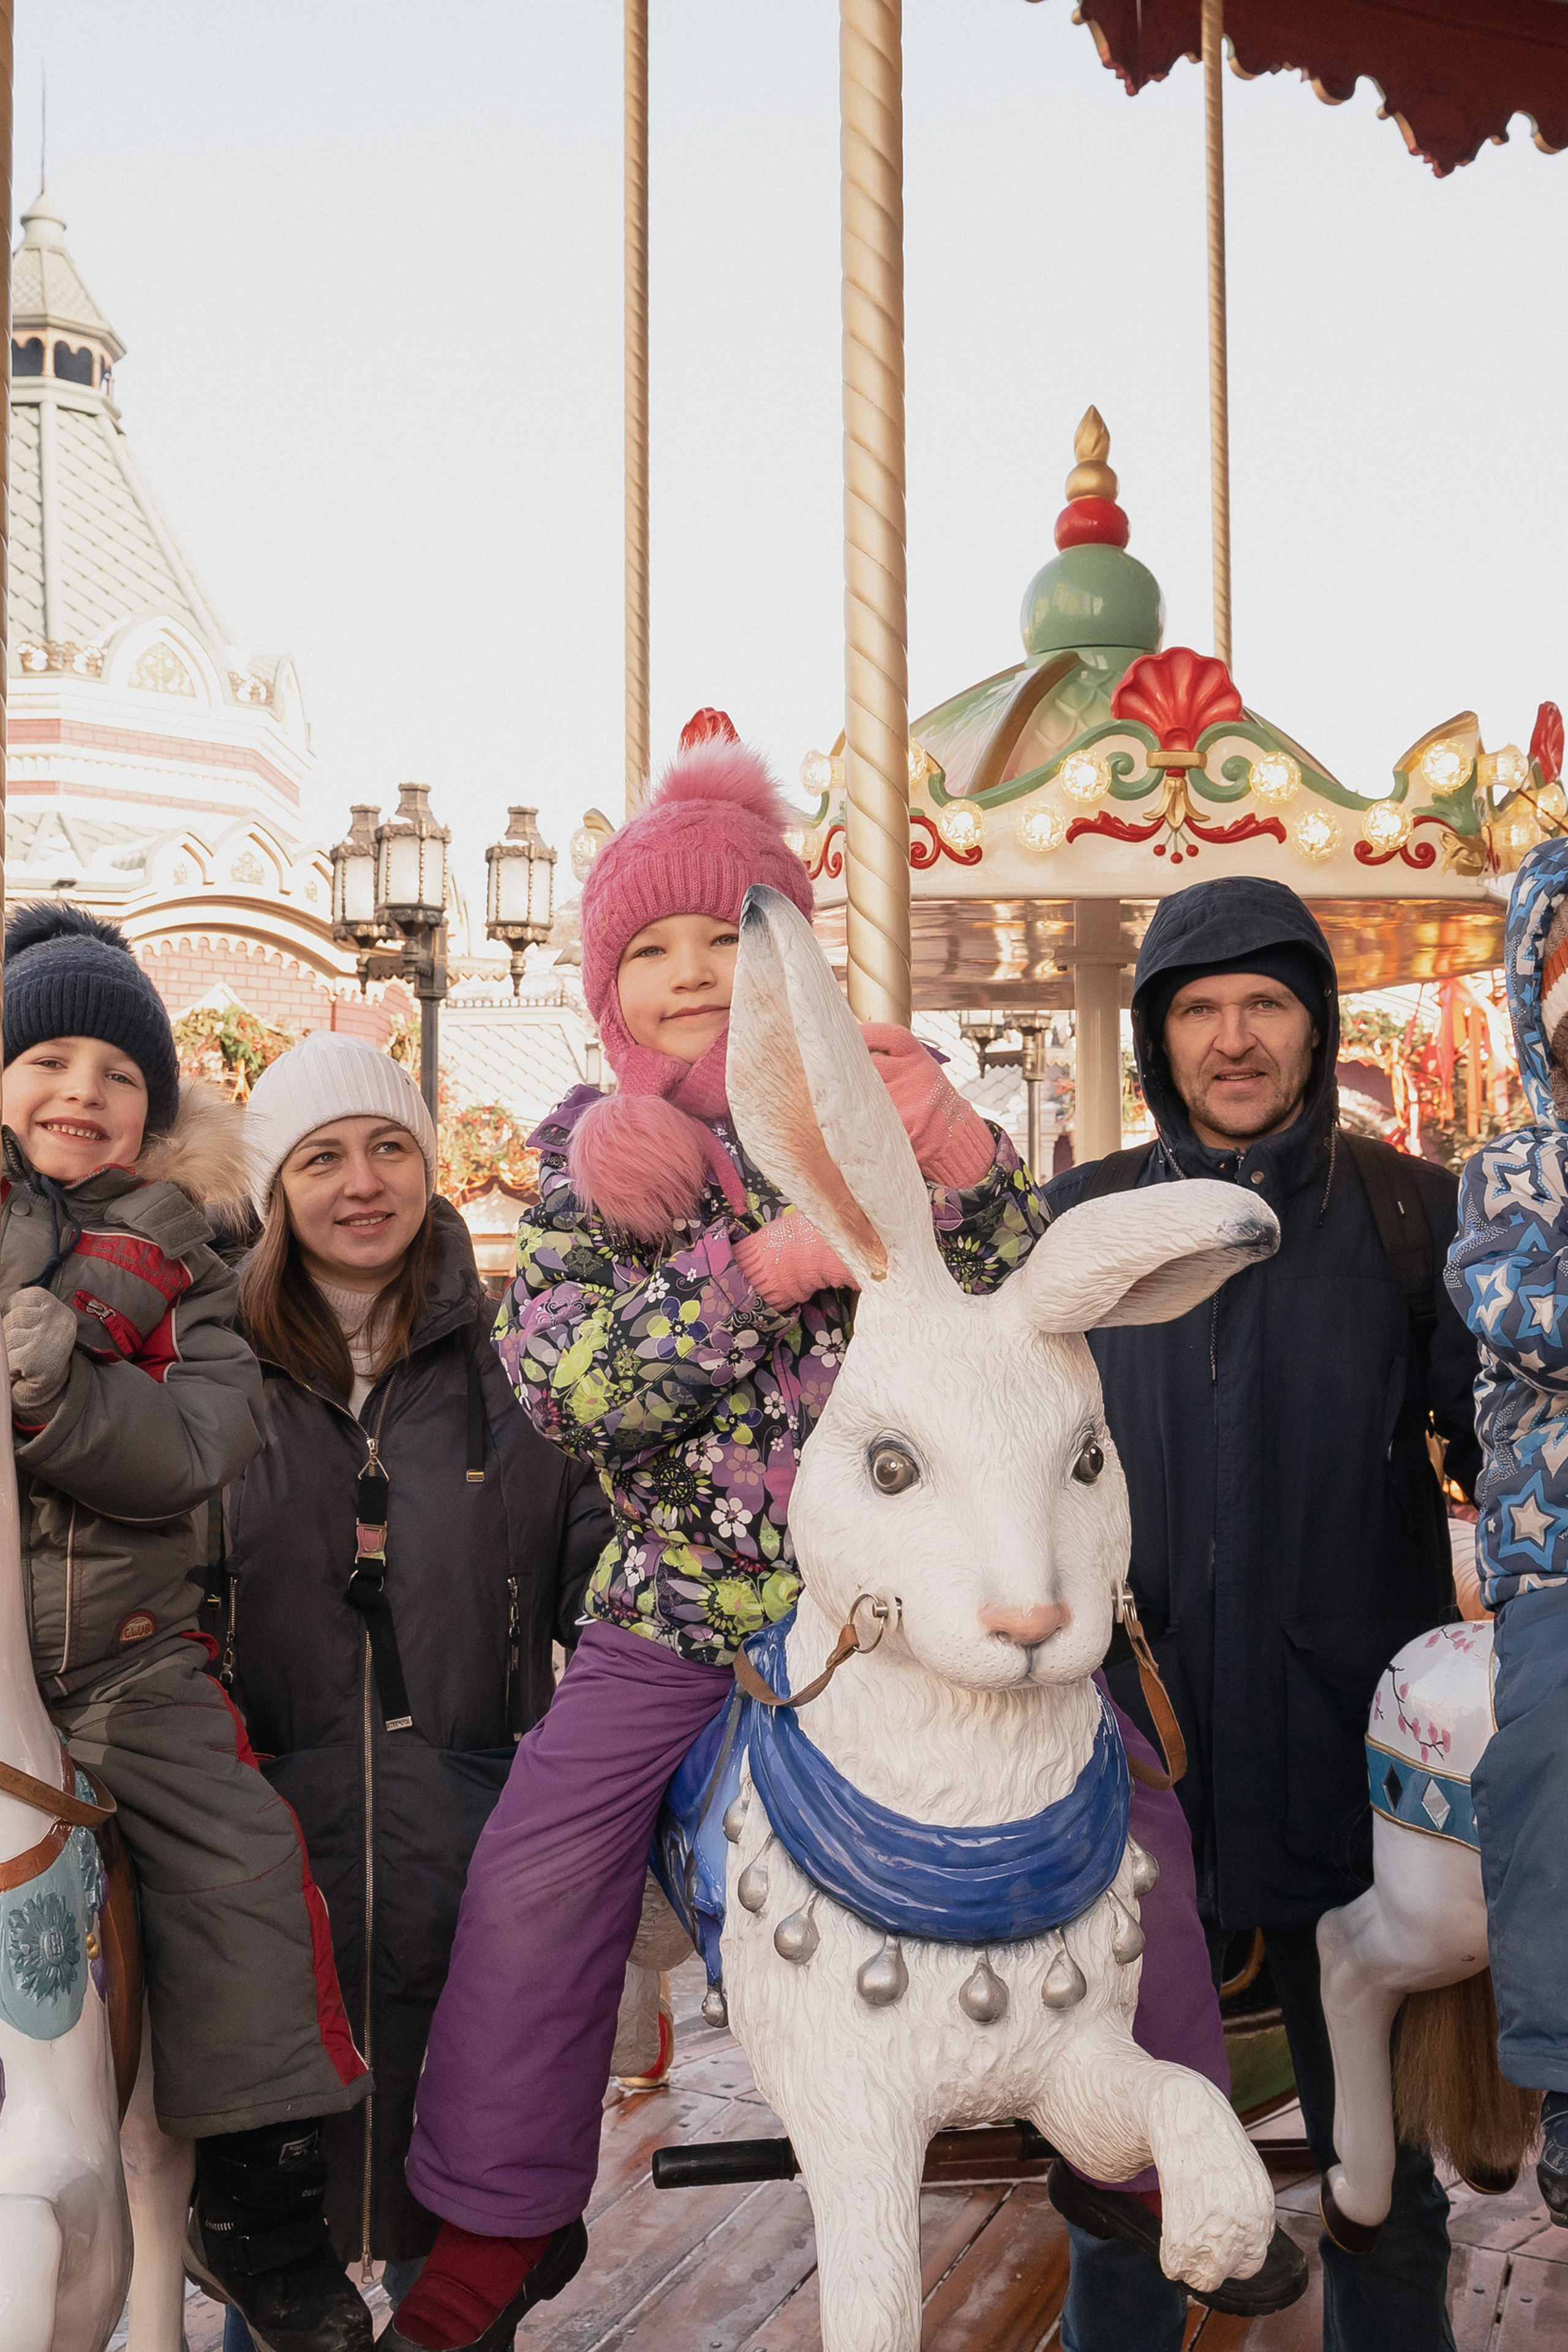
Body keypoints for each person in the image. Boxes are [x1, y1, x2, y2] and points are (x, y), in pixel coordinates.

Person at [384, 718, 1294, 2352]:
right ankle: (494, 2223)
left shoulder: (878, 1119)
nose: (682, 976)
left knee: (1136, 1810)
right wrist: (764, 1268)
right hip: (689, 1611)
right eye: (646, 951)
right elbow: (568, 1383)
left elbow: (1031, 1296)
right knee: (536, 1866)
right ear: (605, 990)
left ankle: (1146, 2158)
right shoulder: (595, 1176)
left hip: (919, 1601)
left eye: (718, 944)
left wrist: (956, 1154)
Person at [1045, 875, 1482, 2352]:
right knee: (1118, 2167)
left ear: (1313, 1023)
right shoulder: (1080, 1226)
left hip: (1340, 1761)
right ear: (1155, 1038)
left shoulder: (1408, 1216)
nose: (1232, 1040)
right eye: (1197, 1011)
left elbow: (1509, 1454)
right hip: (1134, 1768)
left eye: (1264, 1005)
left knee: (1379, 2160)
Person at [0, 904, 374, 2352]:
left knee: (240, 1861)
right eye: (46, 1060)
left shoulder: (182, 1263)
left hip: (119, 1662)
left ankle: (257, 2204)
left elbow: (190, 1446)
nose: (79, 1091)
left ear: (155, 1110)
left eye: (116, 1070)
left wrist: (57, 1393)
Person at [208, 1030, 611, 2339]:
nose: (362, 1182)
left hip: (476, 1871)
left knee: (466, 2246)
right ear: (275, 1191)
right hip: (274, 1880)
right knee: (280, 2277)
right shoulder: (213, 1383)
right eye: (321, 1158)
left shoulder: (523, 1375)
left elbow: (602, 1597)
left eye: (389, 1148)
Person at [1446, 835, 1568, 2225]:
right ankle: (1559, 2055)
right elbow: (1529, 1318)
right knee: (1549, 1743)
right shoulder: (1508, 1178)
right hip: (1558, 1548)